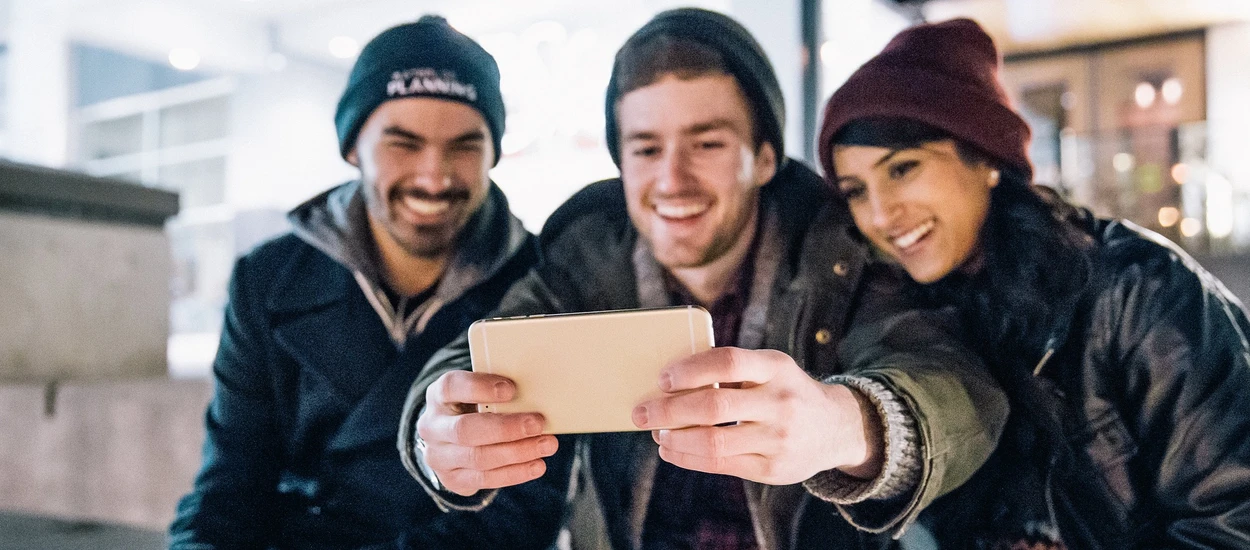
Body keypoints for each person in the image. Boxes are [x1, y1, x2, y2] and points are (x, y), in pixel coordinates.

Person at [398, 8, 1008, 549]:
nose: (672, 179)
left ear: (764, 158)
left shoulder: (838, 247)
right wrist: (437, 431)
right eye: (644, 149)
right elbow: (478, 354)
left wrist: (849, 424)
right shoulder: (586, 254)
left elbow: (953, 380)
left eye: (707, 142)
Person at [818, 18, 1250, 549]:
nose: (881, 214)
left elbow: (1231, 523)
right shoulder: (911, 315)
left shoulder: (1137, 292)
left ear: (987, 159)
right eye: (856, 190)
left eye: (903, 168)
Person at [169, 16, 570, 549]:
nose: (434, 175)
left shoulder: (545, 286)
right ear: (353, 147)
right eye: (403, 144)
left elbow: (520, 517)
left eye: (464, 146)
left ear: (494, 153)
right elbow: (231, 482)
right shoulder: (268, 281)